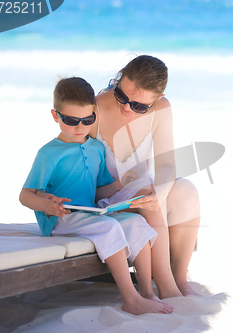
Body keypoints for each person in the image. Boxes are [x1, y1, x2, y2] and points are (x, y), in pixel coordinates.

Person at [19, 77, 174, 315]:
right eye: (71, 121)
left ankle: (147, 293)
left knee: (135, 222)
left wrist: (121, 184)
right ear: (55, 115)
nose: (80, 128)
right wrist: (46, 205)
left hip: (89, 213)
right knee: (109, 228)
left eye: (88, 120)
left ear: (94, 114)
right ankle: (130, 298)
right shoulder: (49, 154)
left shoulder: (96, 148)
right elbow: (25, 195)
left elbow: (99, 191)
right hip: (60, 218)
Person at [89, 55, 202, 298]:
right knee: (146, 193)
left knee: (186, 192)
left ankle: (179, 279)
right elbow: (81, 177)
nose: (127, 107)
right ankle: (166, 286)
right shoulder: (94, 108)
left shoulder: (162, 108)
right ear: (118, 80)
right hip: (104, 199)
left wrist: (159, 194)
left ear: (158, 100)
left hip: (142, 194)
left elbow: (166, 166)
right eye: (121, 95)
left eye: (139, 106)